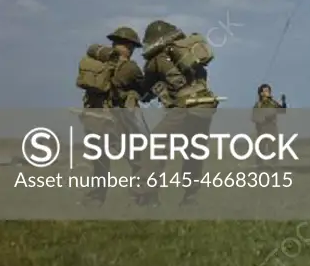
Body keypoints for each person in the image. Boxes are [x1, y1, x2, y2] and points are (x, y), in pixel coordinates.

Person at [135, 20, 218, 207]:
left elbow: (144, 90)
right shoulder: (189, 53)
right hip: (205, 106)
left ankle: (146, 196)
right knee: (193, 152)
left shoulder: (156, 59)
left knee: (154, 147)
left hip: (184, 107)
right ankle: (191, 197)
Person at [74, 26, 145, 206]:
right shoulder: (130, 67)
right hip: (114, 120)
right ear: (129, 46)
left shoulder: (96, 64)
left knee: (100, 164)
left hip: (91, 118)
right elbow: (144, 86)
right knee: (139, 159)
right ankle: (139, 197)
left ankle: (95, 199)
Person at [252, 84, 287, 169]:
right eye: (265, 91)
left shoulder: (273, 103)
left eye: (268, 91)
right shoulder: (258, 105)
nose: (267, 93)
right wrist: (262, 118)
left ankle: (275, 165)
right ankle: (259, 165)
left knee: (274, 147)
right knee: (261, 148)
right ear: (261, 93)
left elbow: (282, 111)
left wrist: (283, 101)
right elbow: (254, 117)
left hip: (272, 127)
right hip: (262, 128)